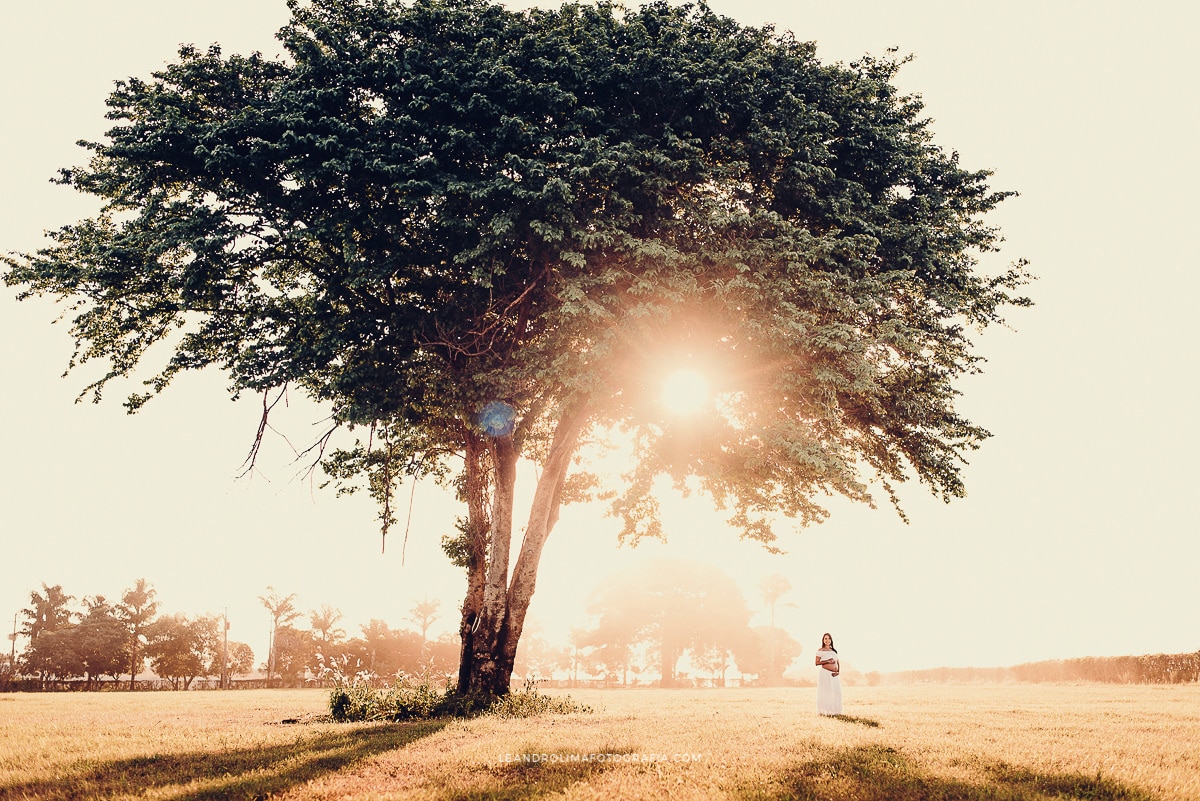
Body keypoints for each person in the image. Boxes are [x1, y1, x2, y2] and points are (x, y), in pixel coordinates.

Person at [815, 632, 842, 716]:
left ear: (831, 640)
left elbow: (838, 662)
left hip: (834, 675)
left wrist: (838, 672)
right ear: (823, 640)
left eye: (829, 638)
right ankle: (825, 711)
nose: (827, 640)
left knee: (837, 692)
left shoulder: (833, 651)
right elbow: (817, 663)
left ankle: (836, 711)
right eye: (825, 638)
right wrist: (828, 661)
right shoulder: (820, 651)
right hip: (825, 674)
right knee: (826, 692)